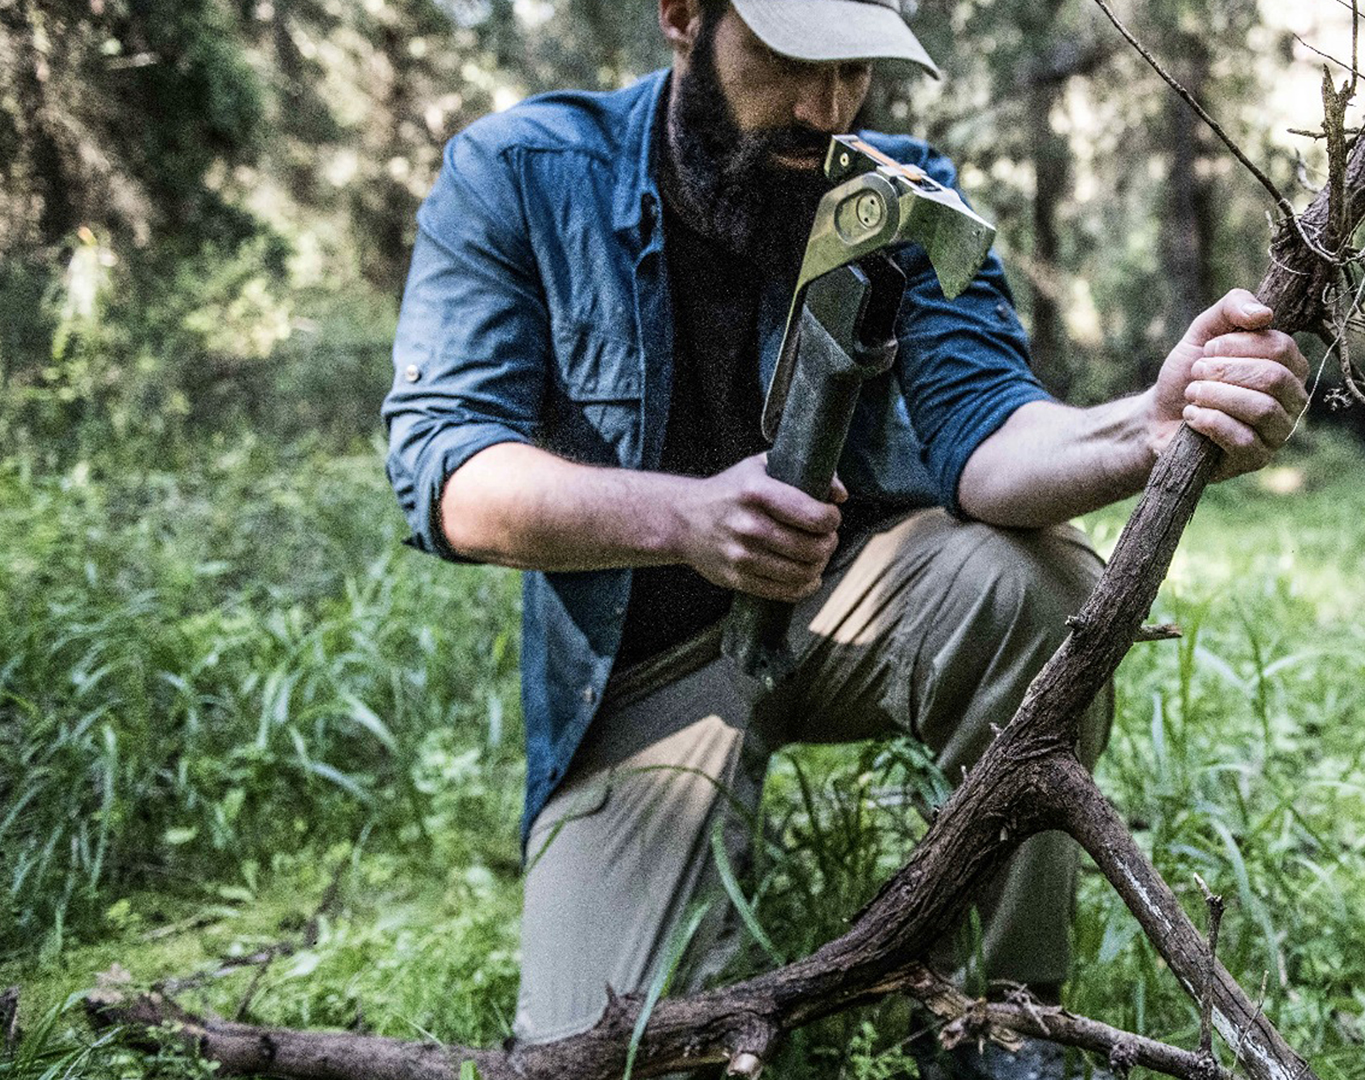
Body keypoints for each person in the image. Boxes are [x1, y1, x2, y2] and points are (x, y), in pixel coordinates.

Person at [382, 0, 1309, 1073]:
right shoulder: (522, 173)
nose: (825, 107)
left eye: (856, 69)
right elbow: (444, 470)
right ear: (684, 15)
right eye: (789, 59)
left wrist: (1141, 425)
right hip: (641, 672)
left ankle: (998, 1021)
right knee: (613, 1052)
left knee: (1038, 586)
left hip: (850, 605)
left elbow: (987, 434)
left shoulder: (905, 192)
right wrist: (684, 519)